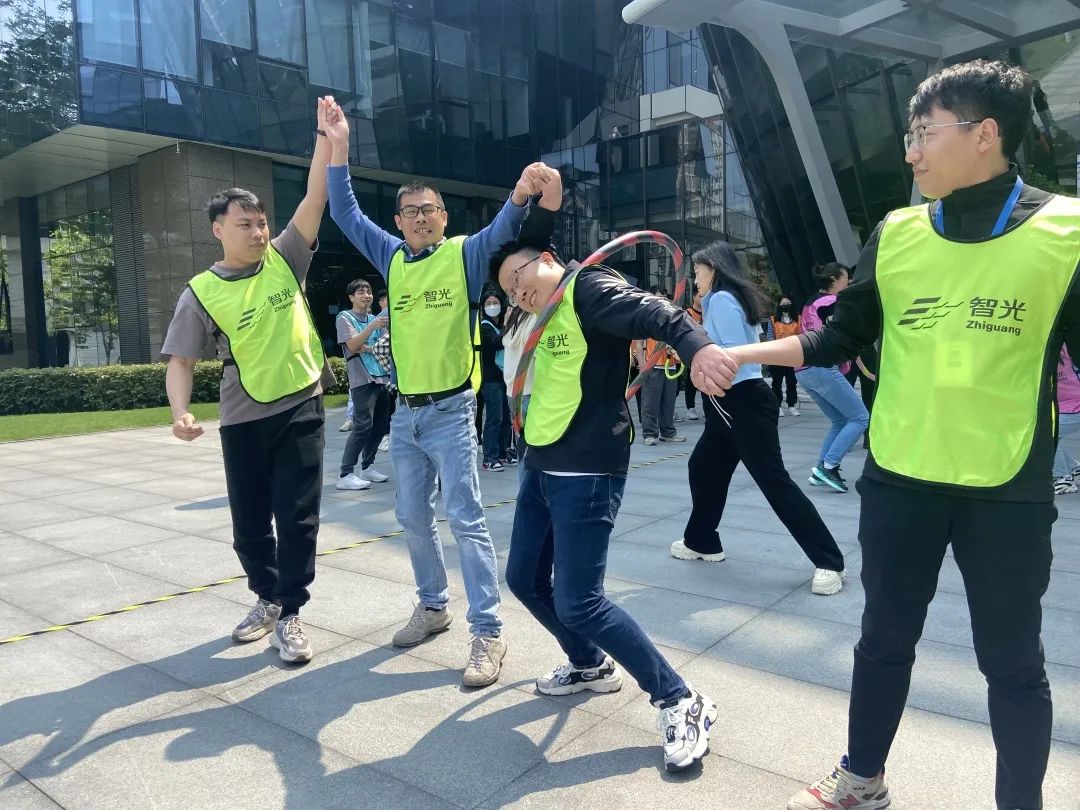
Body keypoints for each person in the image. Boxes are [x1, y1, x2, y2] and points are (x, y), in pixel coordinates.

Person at [728, 60, 1080, 810]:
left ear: (985, 134)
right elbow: (836, 338)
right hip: (899, 478)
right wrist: (740, 354)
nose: (910, 152)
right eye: (909, 136)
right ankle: (862, 779)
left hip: (1007, 488)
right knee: (883, 640)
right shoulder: (896, 233)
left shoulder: (1068, 232)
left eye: (924, 133)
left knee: (1013, 665)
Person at [322, 99, 556, 687]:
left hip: (452, 412)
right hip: (405, 414)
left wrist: (521, 193)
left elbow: (505, 229)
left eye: (429, 210)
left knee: (466, 518)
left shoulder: (464, 255)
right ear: (399, 221)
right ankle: (432, 605)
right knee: (410, 515)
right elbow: (345, 212)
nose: (420, 218)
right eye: (410, 212)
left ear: (444, 216)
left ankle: (488, 632)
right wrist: (339, 147)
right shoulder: (391, 257)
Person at [489, 238, 738, 772]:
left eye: (518, 278)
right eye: (508, 289)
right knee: (524, 578)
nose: (517, 292)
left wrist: (697, 348)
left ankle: (679, 698)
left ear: (547, 259)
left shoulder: (589, 288)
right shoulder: (541, 313)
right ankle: (588, 663)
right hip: (541, 463)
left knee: (580, 602)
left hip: (587, 467)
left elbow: (660, 313)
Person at [163, 98, 336, 665]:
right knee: (249, 526)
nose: (259, 232)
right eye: (246, 224)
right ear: (219, 230)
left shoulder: (286, 256)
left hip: (301, 404)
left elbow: (315, 197)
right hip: (242, 417)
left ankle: (291, 611)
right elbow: (181, 361)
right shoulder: (201, 292)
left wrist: (324, 138)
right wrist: (180, 412)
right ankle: (266, 595)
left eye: (261, 222)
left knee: (298, 517)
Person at [670, 242, 846, 595]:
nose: (695, 280)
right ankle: (701, 540)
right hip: (732, 401)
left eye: (698, 272)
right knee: (703, 466)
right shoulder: (726, 299)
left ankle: (830, 561)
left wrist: (696, 361)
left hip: (739, 400)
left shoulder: (720, 299)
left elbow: (732, 355)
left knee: (773, 481)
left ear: (714, 269)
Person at [795, 262, 869, 493]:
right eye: (847, 279)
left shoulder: (811, 303)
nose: (850, 283)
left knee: (840, 421)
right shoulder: (832, 303)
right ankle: (829, 466)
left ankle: (822, 469)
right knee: (860, 417)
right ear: (835, 279)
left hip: (805, 369)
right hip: (822, 367)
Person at [335, 279, 392, 490]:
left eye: (368, 291)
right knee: (362, 426)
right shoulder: (344, 317)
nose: (366, 295)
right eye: (360, 292)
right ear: (351, 297)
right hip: (362, 378)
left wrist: (367, 346)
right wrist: (371, 331)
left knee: (381, 425)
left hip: (382, 376)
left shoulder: (375, 318)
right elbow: (353, 345)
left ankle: (367, 466)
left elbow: (383, 346)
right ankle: (345, 474)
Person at [479, 292, 510, 471]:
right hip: (492, 380)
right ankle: (489, 457)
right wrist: (506, 325)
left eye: (495, 302)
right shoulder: (485, 326)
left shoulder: (498, 325)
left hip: (505, 378)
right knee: (494, 419)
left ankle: (502, 452)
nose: (492, 306)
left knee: (505, 418)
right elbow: (494, 344)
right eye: (489, 303)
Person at [638, 336, 686, 445]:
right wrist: (642, 365)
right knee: (650, 402)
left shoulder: (671, 326)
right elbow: (639, 343)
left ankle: (668, 432)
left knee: (668, 402)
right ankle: (649, 433)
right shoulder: (647, 325)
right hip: (652, 365)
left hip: (670, 365)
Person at [1054, 345, 1080, 494]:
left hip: (1074, 408)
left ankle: (1061, 477)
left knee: (1044, 436)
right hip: (1066, 408)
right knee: (1048, 435)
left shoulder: (1067, 347)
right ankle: (1073, 469)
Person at [769, 296, 801, 416]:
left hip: (793, 354)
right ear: (779, 305)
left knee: (791, 381)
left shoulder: (798, 319)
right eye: (783, 303)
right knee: (776, 382)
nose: (785, 305)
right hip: (777, 355)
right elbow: (770, 336)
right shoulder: (773, 319)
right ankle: (778, 405)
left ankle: (791, 405)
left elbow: (801, 334)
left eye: (788, 302)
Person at [684, 291, 704, 421]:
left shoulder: (708, 311)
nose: (702, 299)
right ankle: (690, 408)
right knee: (691, 380)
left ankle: (707, 406)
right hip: (693, 350)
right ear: (693, 297)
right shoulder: (688, 313)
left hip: (706, 348)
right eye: (700, 296)